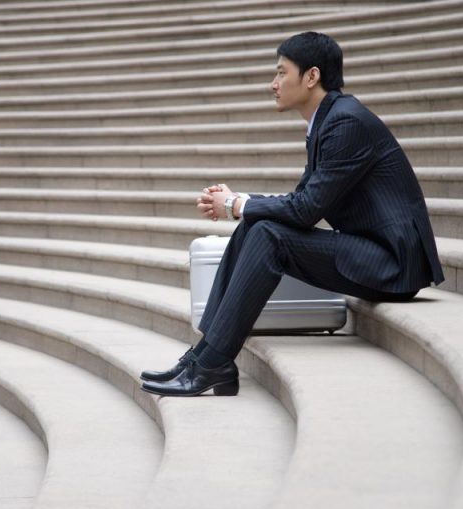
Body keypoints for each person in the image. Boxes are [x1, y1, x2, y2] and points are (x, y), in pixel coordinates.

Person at [139, 31, 444, 397]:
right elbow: (302, 200)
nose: (274, 83)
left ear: (311, 76)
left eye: (282, 73)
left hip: (391, 263)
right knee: (259, 224)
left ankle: (211, 361)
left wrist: (235, 205)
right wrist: (243, 203)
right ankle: (205, 356)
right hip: (369, 248)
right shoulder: (331, 121)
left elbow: (304, 211)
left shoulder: (346, 123)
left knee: (267, 233)